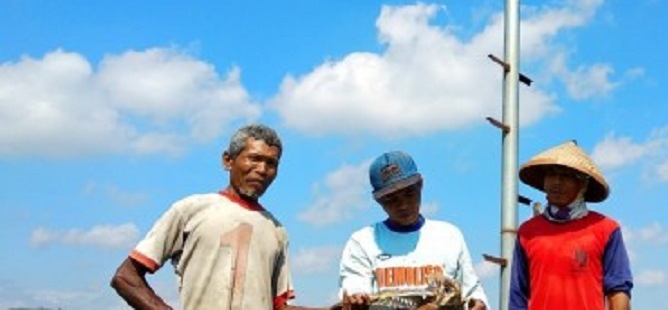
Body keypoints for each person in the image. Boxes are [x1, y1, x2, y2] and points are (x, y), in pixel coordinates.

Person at [110, 123, 334, 310]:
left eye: (271, 163)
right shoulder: (192, 209)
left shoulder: (277, 231)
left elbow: (278, 306)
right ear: (228, 161)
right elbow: (126, 278)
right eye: (254, 158)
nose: (262, 169)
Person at [339, 151, 489, 310]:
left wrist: (478, 302)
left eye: (409, 193)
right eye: (391, 199)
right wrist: (356, 297)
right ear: (378, 200)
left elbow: (472, 290)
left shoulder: (449, 236)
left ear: (421, 185)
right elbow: (354, 287)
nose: (403, 205)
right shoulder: (363, 241)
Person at [509, 140, 633, 310]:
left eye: (566, 175)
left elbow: (618, 289)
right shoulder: (527, 232)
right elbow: (518, 295)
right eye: (551, 174)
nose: (557, 182)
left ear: (583, 184)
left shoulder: (606, 229)